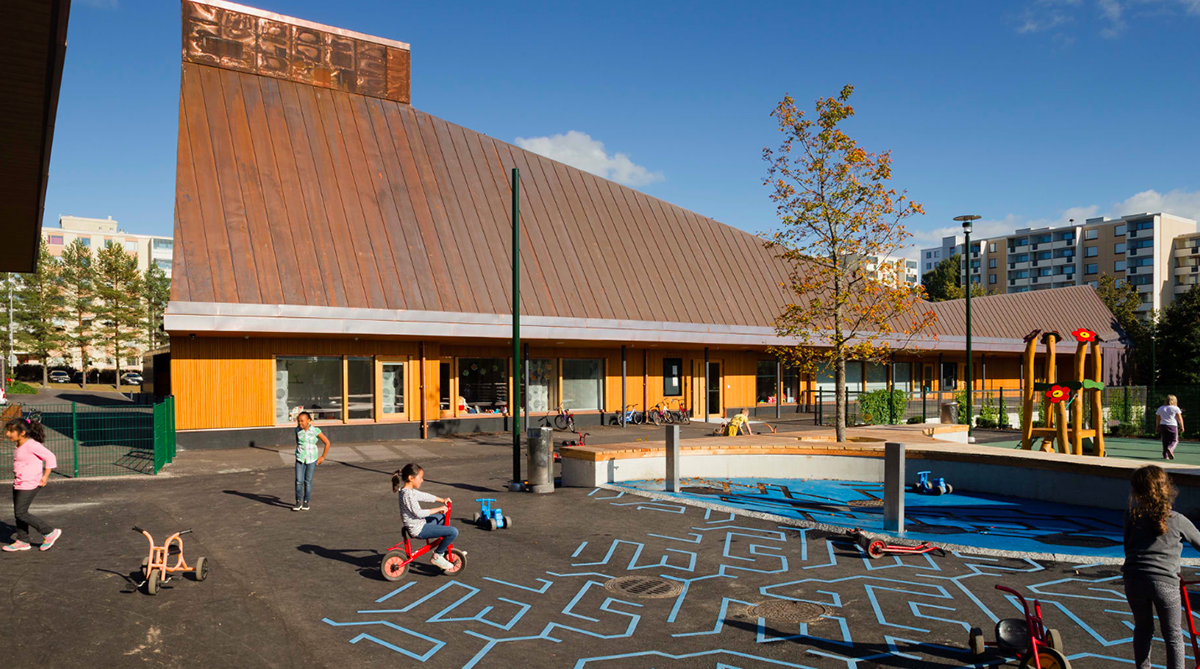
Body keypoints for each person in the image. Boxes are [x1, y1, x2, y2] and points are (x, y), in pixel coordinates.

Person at [1122, 465, 1200, 669]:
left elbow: (1127, 548)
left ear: (1136, 492)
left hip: (1134, 579)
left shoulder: (1132, 516)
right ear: (1167, 489)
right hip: (1165, 583)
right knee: (1173, 634)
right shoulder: (1178, 520)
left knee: (1143, 629)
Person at [3, 417, 62, 552]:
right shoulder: (19, 444)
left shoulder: (31, 444)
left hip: (30, 483)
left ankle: (49, 532)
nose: (7, 434)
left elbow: (51, 457)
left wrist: (46, 476)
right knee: (18, 512)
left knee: (21, 513)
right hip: (19, 482)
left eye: (11, 431)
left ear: (22, 432)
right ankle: (23, 540)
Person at [392, 463, 457, 571]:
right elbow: (419, 513)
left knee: (443, 519)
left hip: (419, 523)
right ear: (410, 478)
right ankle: (437, 555)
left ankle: (445, 549)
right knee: (453, 532)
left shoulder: (409, 491)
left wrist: (442, 500)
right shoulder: (407, 495)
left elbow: (424, 496)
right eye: (420, 478)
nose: (422, 480)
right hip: (418, 529)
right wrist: (438, 509)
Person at [293, 411, 330, 512]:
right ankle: (298, 501)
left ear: (309, 421)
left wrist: (323, 457)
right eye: (298, 421)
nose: (300, 423)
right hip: (300, 459)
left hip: (311, 459)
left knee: (307, 481)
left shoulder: (315, 431)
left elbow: (327, 443)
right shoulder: (297, 430)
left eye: (302, 421)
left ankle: (306, 501)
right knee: (298, 481)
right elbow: (298, 443)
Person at [1156, 395, 1184, 460]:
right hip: (1172, 425)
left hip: (1163, 425)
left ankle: (1165, 455)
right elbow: (1179, 418)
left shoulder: (1161, 408)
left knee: (1165, 440)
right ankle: (1170, 448)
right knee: (1174, 440)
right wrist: (1182, 426)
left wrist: (1157, 426)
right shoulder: (1175, 408)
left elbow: (1157, 418)